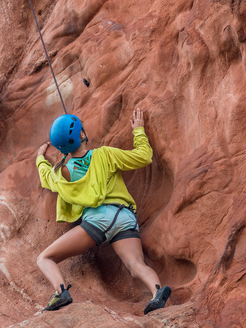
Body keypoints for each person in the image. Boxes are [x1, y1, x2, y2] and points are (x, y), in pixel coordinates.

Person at [36, 108, 171, 314]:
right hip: (125, 217)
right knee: (135, 265)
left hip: (98, 222)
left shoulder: (61, 173)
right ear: (81, 135)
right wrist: (138, 131)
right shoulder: (105, 155)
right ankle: (157, 292)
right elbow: (143, 157)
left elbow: (46, 176)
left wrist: (40, 158)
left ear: (61, 147)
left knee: (45, 258)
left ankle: (60, 292)